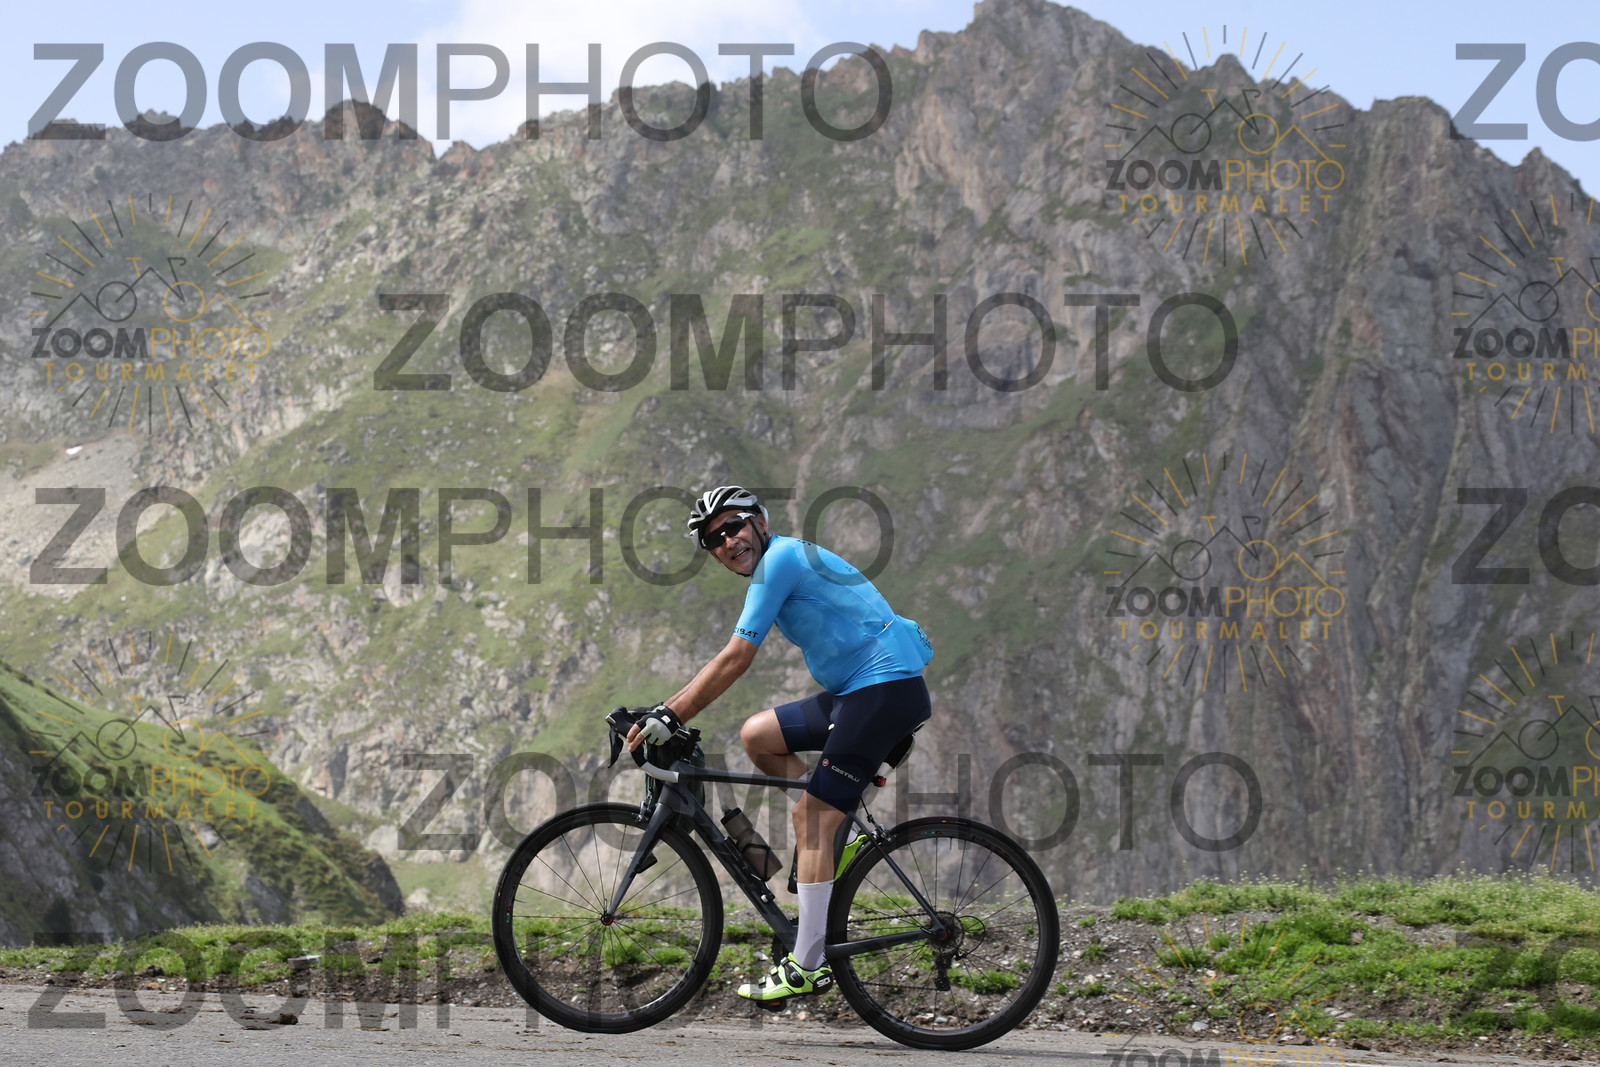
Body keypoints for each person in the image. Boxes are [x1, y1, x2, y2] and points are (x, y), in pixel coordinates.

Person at [626, 485, 933, 1004]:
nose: (727, 541)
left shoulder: (781, 561)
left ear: (760, 522)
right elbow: (727, 660)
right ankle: (838, 831)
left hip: (883, 690)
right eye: (714, 539)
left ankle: (808, 964)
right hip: (856, 692)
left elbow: (736, 657)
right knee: (758, 736)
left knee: (811, 819)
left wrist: (673, 715)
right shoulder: (776, 564)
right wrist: (662, 710)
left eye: (733, 526)